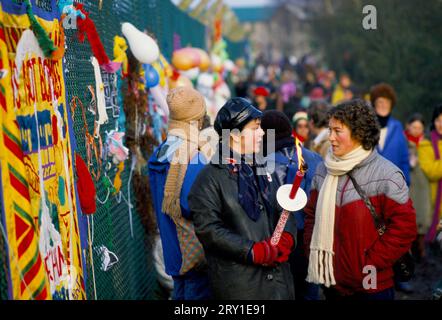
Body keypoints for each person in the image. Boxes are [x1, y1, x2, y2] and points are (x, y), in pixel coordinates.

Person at [304, 99, 417, 300]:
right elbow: (311, 216)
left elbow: (404, 229)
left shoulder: (387, 175)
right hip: (332, 282)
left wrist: (368, 263)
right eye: (329, 130)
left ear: (359, 133)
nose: (330, 137)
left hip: (371, 284)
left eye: (337, 131)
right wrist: (313, 253)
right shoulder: (323, 170)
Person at [188, 97, 296, 300]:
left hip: (279, 285)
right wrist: (251, 251)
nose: (262, 133)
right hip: (241, 287)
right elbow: (208, 229)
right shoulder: (209, 178)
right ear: (235, 135)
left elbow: (283, 207)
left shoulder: (263, 167)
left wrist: (288, 237)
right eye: (255, 128)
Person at [148, 87, 212, 300]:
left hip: (172, 249)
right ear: (196, 118)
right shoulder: (192, 155)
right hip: (193, 252)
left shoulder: (161, 151)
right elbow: (193, 204)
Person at [261, 110, 322, 300]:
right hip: (311, 236)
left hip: (277, 238)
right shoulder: (313, 158)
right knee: (308, 289)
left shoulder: (261, 163)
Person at [370, 83, 410, 186]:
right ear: (374, 104)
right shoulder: (367, 127)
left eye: (387, 102)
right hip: (370, 186)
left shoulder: (397, 127)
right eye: (380, 102)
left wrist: (405, 183)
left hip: (394, 186)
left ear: (391, 105)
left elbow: (404, 158)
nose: (384, 105)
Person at [404, 114, 432, 261]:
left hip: (423, 185)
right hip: (408, 185)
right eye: (414, 127)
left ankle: (421, 250)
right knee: (408, 217)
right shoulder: (403, 142)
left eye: (419, 127)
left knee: (422, 216)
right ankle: (406, 251)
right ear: (408, 126)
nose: (416, 130)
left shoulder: (426, 144)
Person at [418, 105, 442, 250]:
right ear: (433, 121)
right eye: (438, 120)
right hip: (433, 210)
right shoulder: (425, 144)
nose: (441, 124)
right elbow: (431, 172)